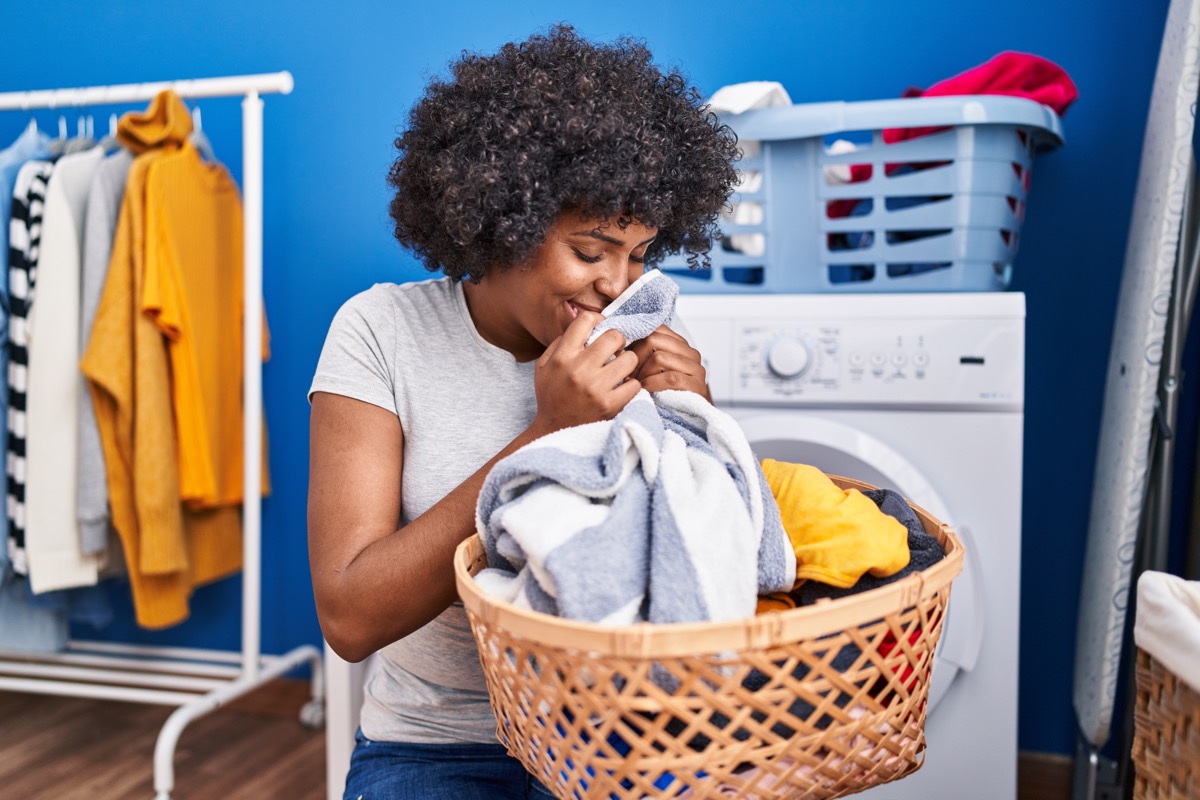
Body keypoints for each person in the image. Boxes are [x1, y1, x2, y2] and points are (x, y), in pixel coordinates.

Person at [307, 24, 738, 800]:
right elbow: (349, 616)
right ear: (501, 219)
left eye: (639, 255)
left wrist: (700, 431)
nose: (617, 285)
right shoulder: (380, 332)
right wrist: (544, 436)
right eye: (591, 249)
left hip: (620, 733)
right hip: (438, 744)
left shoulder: (637, 351)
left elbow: (704, 575)